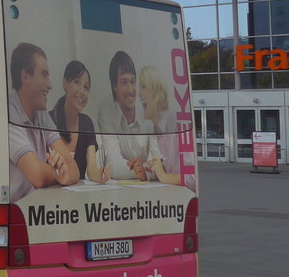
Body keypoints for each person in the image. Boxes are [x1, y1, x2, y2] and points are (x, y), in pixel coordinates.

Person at [7, 42, 77, 202]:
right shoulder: (9, 112)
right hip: (15, 212)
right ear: (25, 77)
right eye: (44, 75)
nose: (50, 85)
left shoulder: (41, 114)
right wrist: (60, 172)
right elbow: (37, 176)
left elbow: (73, 168)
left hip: (36, 209)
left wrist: (63, 170)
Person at [96, 51, 162, 180]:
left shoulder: (148, 108)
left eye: (133, 81)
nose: (131, 89)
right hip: (119, 190)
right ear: (114, 86)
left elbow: (159, 162)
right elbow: (114, 167)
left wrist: (148, 170)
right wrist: (144, 170)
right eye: (124, 82)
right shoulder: (106, 109)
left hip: (148, 187)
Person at [49, 61, 108, 183]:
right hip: (48, 197)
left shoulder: (87, 123)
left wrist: (99, 175)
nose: (82, 91)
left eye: (86, 87)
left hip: (78, 199)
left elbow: (91, 168)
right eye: (77, 82)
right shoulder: (47, 120)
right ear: (65, 83)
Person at [139, 66, 187, 185]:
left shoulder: (176, 125)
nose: (139, 94)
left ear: (157, 92)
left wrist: (164, 176)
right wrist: (150, 169)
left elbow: (191, 177)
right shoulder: (155, 130)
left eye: (143, 87)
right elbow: (167, 169)